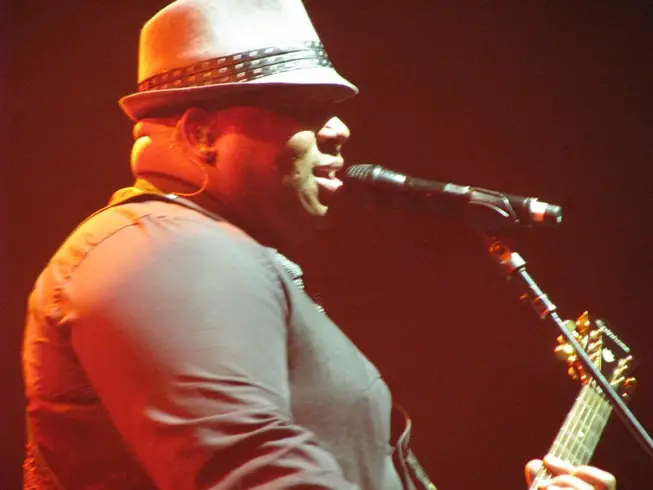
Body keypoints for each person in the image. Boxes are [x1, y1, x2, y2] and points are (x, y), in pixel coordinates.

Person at [21, 1, 618, 489]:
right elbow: (252, 471)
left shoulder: (207, 252)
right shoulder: (161, 251)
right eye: (306, 107)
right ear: (201, 133)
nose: (339, 129)